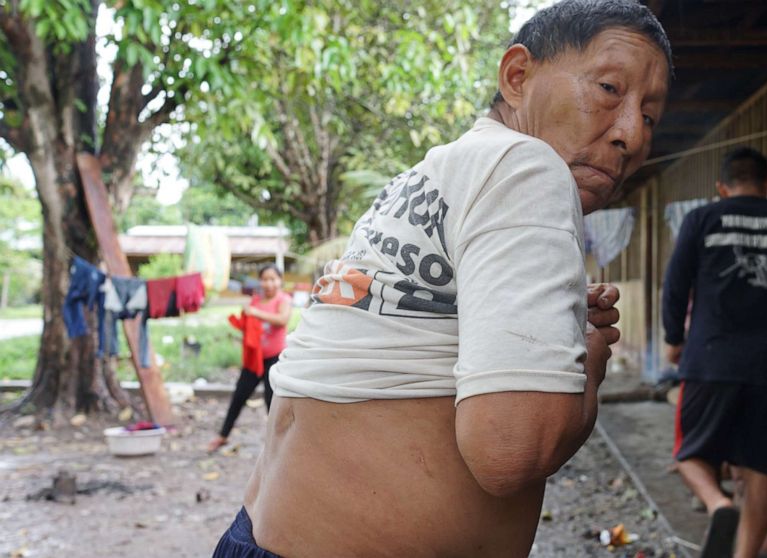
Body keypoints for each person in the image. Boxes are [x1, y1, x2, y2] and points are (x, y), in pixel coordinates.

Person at [213, 2, 673, 556]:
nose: (631, 134)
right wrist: (591, 358)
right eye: (607, 88)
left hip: (255, 535)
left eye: (649, 115)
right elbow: (509, 451)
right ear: (517, 76)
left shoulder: (437, 169)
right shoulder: (529, 166)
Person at [662, 146, 767, 558]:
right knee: (764, 466)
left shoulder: (701, 219)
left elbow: (675, 283)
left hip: (709, 359)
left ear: (721, 187)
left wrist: (673, 338)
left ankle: (719, 504)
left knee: (689, 454)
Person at [207, 265, 293, 453]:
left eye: (273, 279)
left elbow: (282, 320)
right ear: (260, 281)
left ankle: (277, 444)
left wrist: (254, 313)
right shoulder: (255, 301)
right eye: (265, 279)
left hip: (274, 360)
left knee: (272, 402)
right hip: (254, 360)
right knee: (239, 396)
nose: (269, 283)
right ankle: (223, 435)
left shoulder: (283, 300)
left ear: (280, 281)